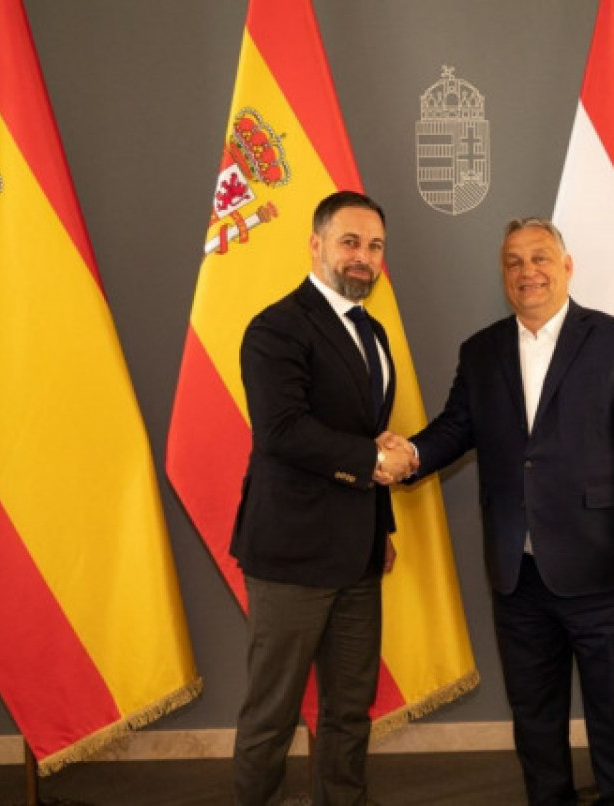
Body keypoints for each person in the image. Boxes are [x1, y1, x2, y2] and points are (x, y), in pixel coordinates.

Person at [388, 218, 614, 805]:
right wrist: (409, 455)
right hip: (517, 576)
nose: (528, 272)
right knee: (535, 720)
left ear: (566, 266)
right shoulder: (481, 350)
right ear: (504, 274)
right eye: (514, 262)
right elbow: (455, 429)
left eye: (540, 258)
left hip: (604, 570)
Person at [230, 190, 418, 806]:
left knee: (349, 710)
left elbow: (360, 431)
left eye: (375, 246)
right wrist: (373, 459)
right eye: (350, 242)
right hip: (291, 555)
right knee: (272, 715)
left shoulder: (373, 330)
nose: (364, 257)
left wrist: (380, 529)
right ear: (316, 245)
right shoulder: (276, 328)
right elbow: (282, 432)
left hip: (358, 556)